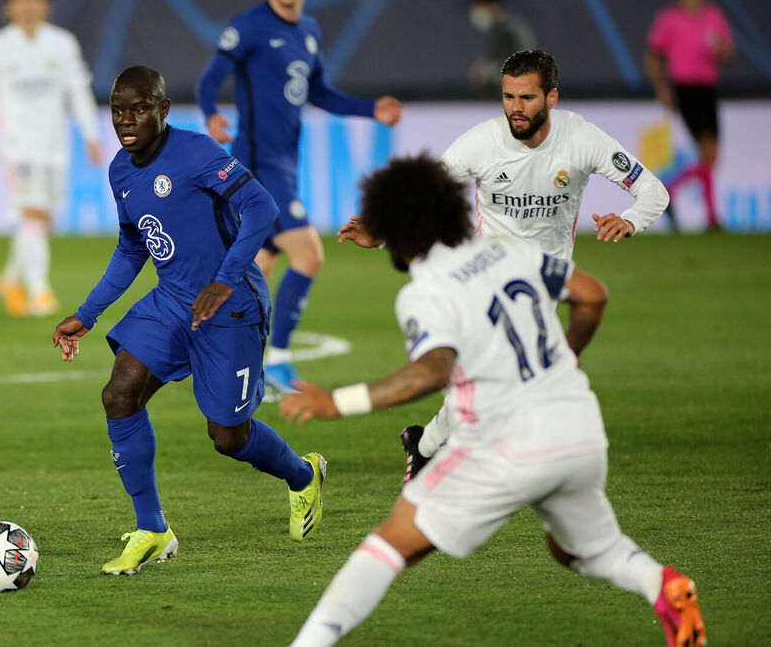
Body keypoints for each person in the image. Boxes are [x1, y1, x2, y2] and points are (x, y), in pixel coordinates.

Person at [281, 155, 706, 647]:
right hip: (579, 429)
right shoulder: (510, 251)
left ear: (397, 231)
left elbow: (431, 371)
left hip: (504, 444)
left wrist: (338, 402)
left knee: (388, 546)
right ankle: (662, 584)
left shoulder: (424, 293)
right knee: (582, 549)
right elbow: (592, 295)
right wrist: (568, 353)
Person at [52, 66, 325, 575]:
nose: (126, 120)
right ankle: (153, 529)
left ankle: (303, 476)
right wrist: (86, 314)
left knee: (228, 437)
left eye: (138, 109)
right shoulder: (120, 171)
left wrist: (224, 279)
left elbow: (261, 206)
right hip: (174, 301)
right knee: (120, 394)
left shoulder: (197, 152)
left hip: (231, 305)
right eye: (117, 111)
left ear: (162, 109)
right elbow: (132, 247)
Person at [377, 50, 669, 482]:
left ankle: (424, 446)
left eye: (527, 98)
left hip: (546, 284)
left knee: (494, 383)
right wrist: (380, 232)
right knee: (494, 378)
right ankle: (463, 459)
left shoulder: (582, 139)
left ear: (552, 98)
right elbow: (423, 196)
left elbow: (653, 191)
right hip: (486, 276)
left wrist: (630, 219)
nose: (515, 107)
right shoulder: (481, 143)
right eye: (508, 96)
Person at [195, 0, 403, 394]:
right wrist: (211, 113)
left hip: (286, 166)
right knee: (309, 255)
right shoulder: (249, 26)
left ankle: (219, 358)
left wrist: (370, 110)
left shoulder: (308, 30)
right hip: (259, 168)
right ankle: (278, 363)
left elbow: (319, 92)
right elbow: (210, 78)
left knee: (258, 269)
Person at [0, 0, 103, 317]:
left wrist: (91, 135)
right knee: (31, 212)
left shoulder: (62, 44)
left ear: (47, 6)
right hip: (17, 145)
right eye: (21, 0)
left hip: (55, 144)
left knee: (45, 217)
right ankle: (40, 292)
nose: (28, 7)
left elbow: (79, 92)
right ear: (8, 8)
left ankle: (11, 279)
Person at [645, 0, 734, 231]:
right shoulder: (669, 18)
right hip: (685, 89)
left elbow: (729, 54)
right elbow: (653, 56)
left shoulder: (713, 16)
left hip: (707, 88)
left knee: (710, 156)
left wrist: (721, 48)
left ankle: (670, 191)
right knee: (708, 152)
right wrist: (661, 88)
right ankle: (710, 216)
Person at [466, 0, 537, 97]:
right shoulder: (499, 31)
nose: (476, 11)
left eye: (480, 5)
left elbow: (523, 68)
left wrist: (489, 74)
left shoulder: (510, 31)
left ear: (493, 5)